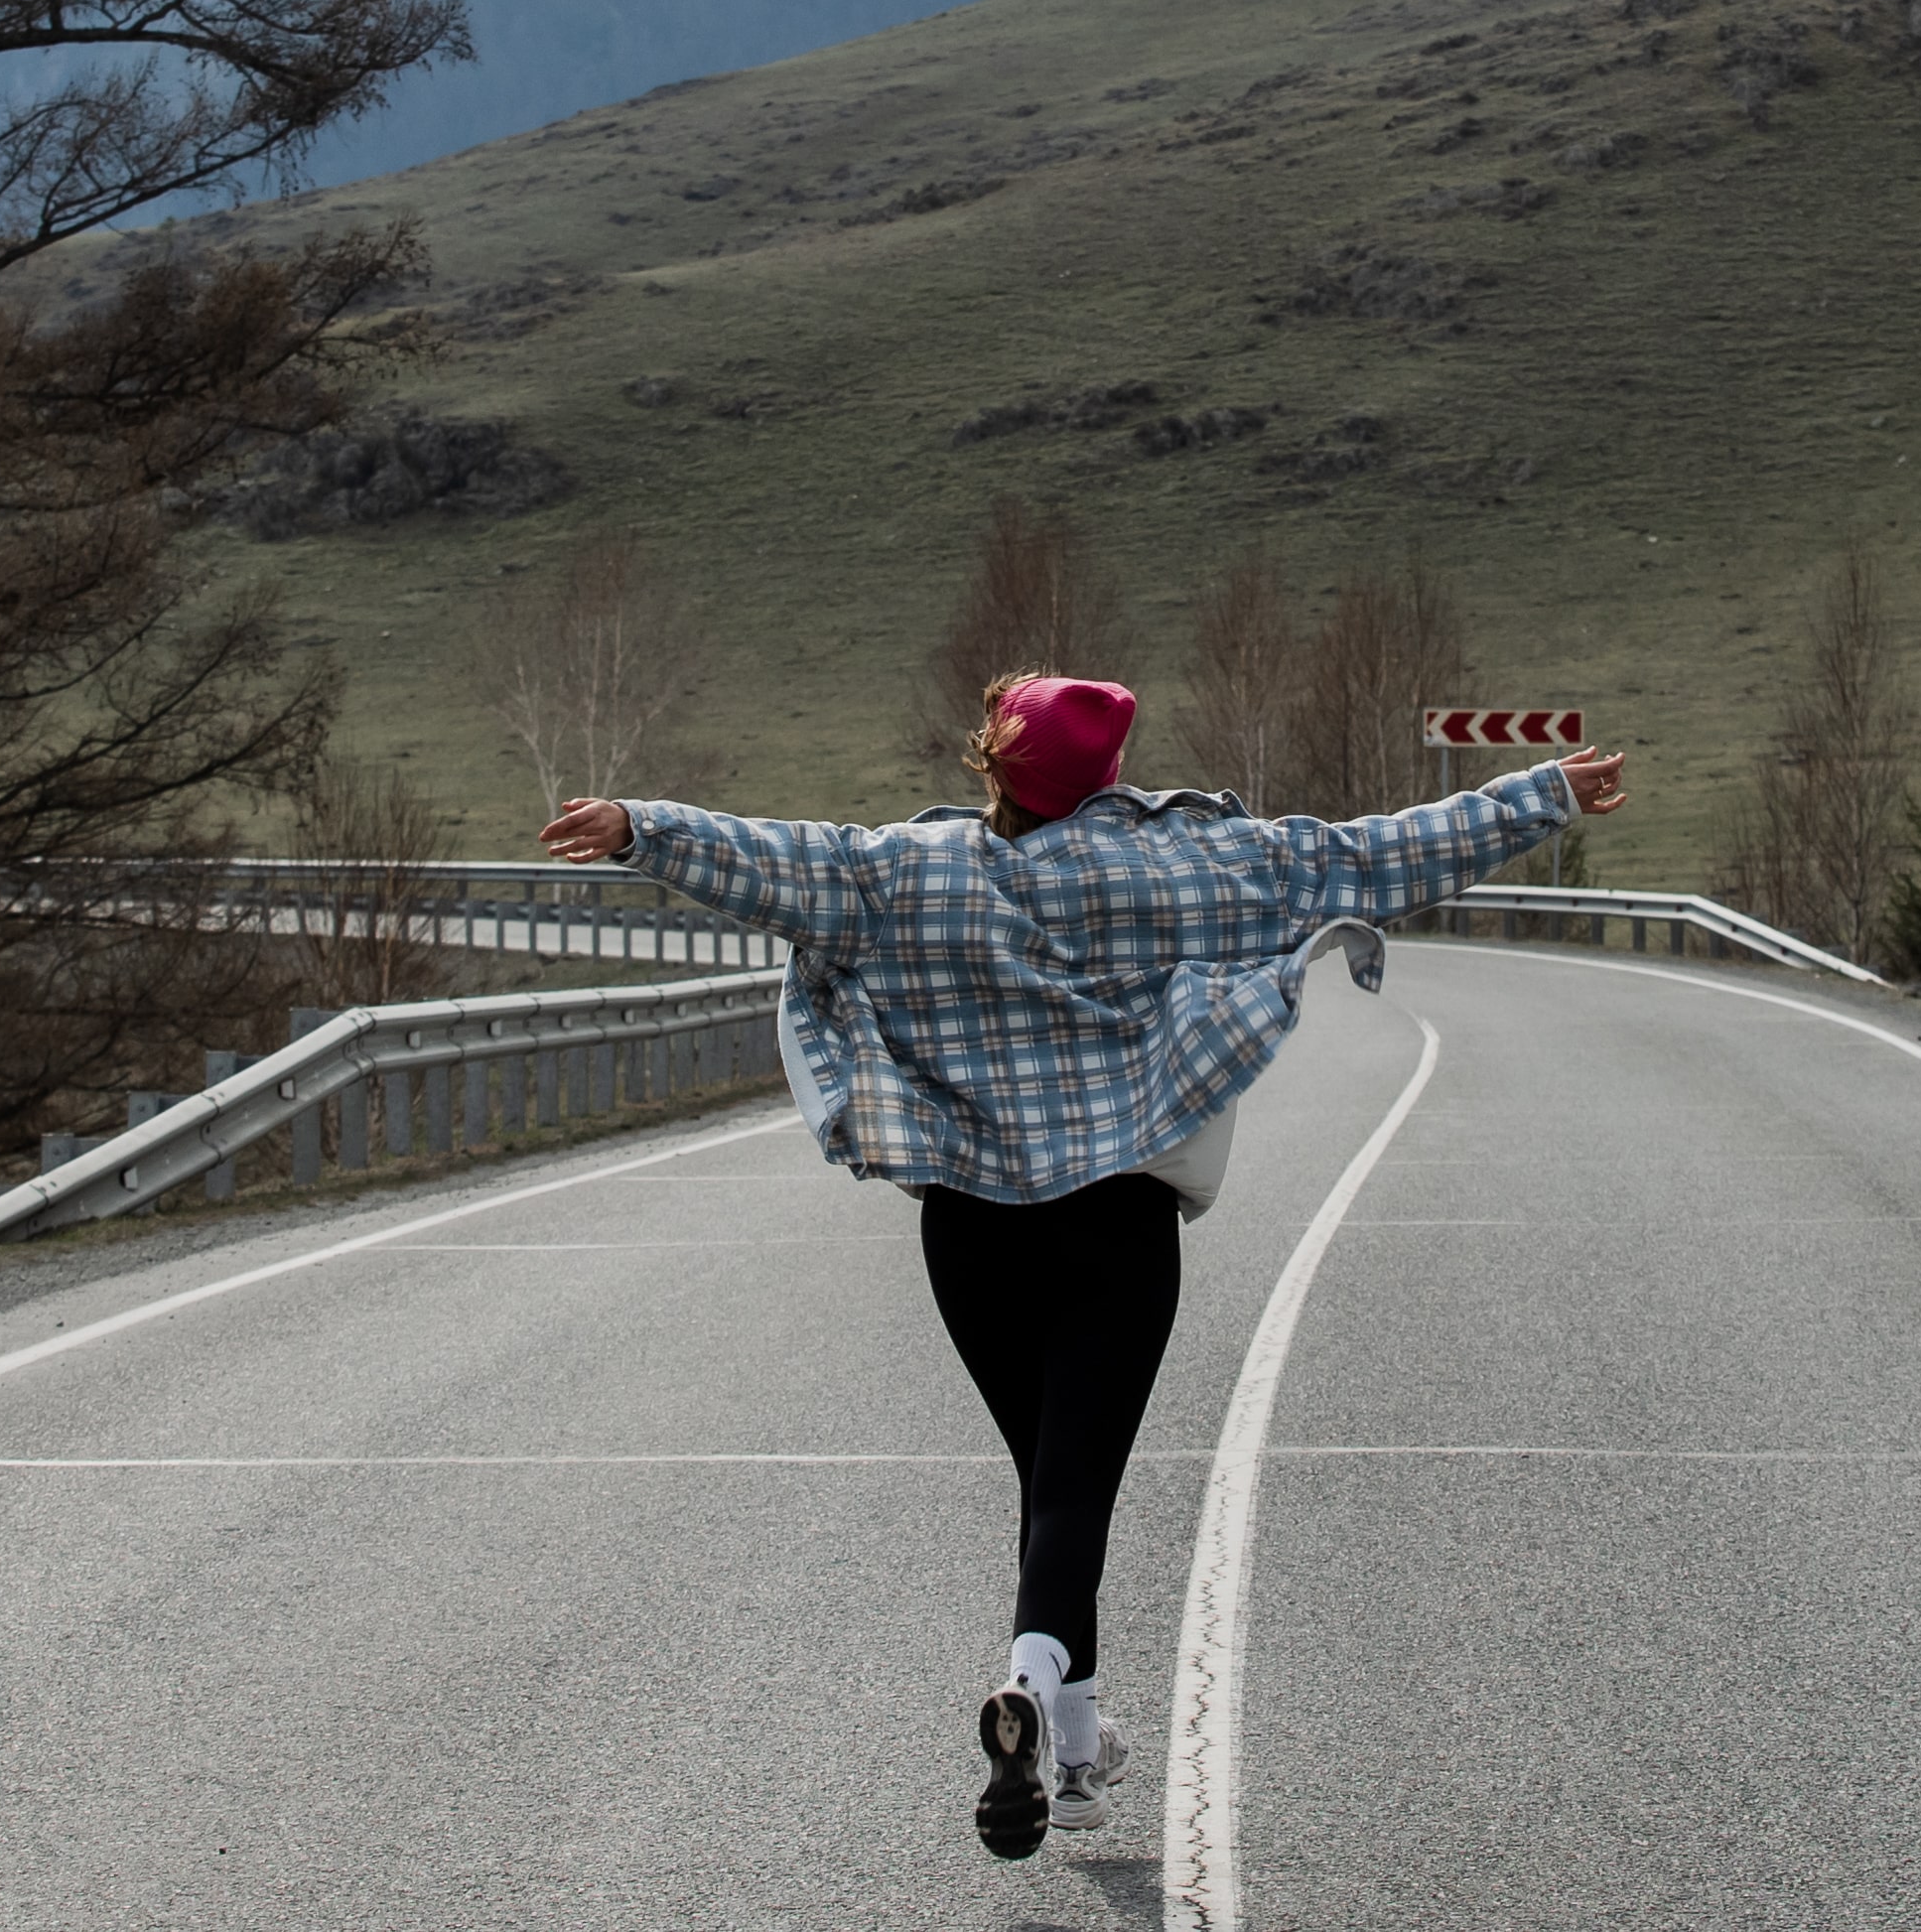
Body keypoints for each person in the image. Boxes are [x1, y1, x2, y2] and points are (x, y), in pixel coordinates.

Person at [540, 669, 1631, 1861]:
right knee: (1072, 1495)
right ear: (1104, 776)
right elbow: (1369, 858)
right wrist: (1541, 798)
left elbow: (774, 861)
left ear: (991, 768)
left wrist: (642, 828)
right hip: (1113, 1224)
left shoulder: (905, 873)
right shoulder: (1180, 868)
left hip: (967, 1228)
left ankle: (1076, 1744)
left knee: (1053, 1489)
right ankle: (1032, 1682)